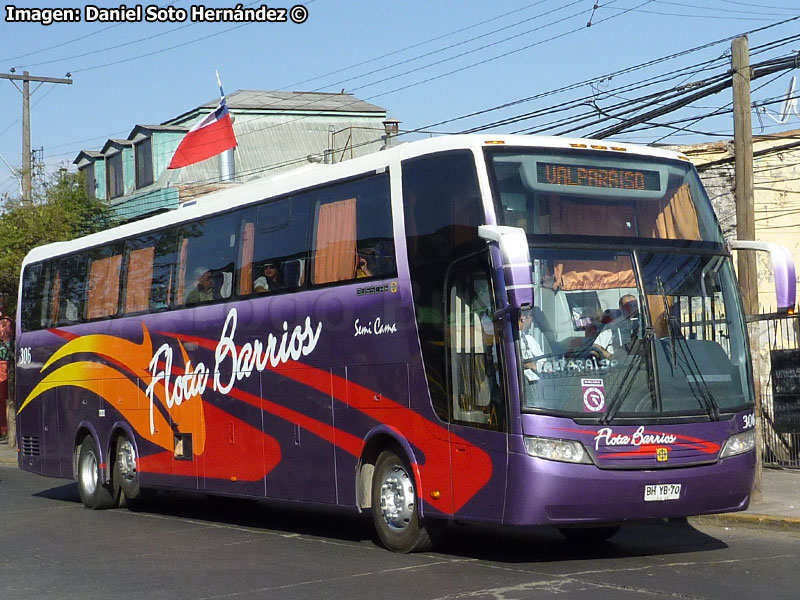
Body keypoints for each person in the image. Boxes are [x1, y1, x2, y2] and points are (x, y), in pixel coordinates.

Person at [518, 311, 544, 379]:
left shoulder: (528, 339)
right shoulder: (506, 340)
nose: (532, 320)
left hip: (534, 381)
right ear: (523, 318)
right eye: (531, 316)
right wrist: (527, 364)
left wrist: (538, 366)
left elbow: (542, 359)